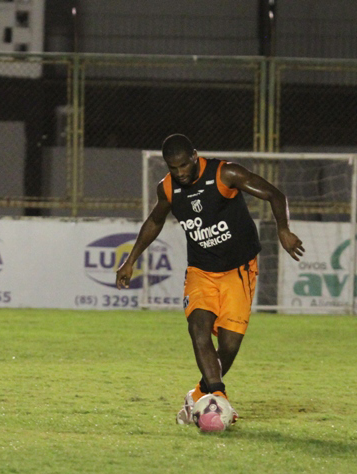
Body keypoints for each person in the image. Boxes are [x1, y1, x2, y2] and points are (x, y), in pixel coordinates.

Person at [115, 134, 304, 425]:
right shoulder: (167, 188)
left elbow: (274, 195)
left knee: (228, 347)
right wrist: (130, 260)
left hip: (239, 271)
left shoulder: (225, 173)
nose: (179, 173)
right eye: (172, 167)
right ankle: (218, 397)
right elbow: (155, 220)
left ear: (194, 156)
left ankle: (198, 396)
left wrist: (283, 229)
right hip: (201, 272)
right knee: (198, 329)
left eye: (183, 165)